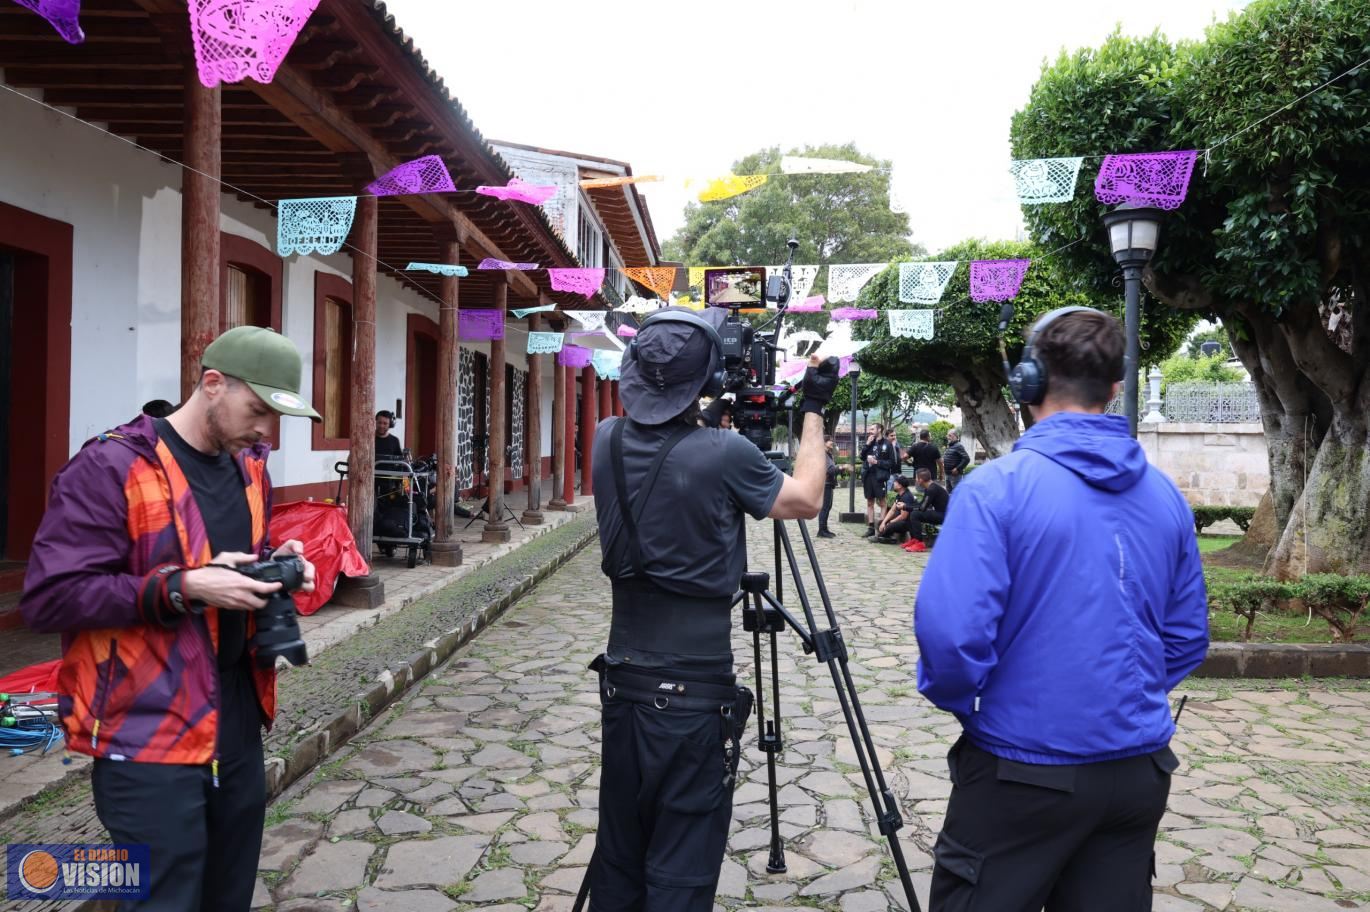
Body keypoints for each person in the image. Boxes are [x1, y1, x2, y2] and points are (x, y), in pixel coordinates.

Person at [914, 307, 1209, 911]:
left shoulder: (996, 489)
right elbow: (1185, 638)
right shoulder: (1166, 496)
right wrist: (1114, 698)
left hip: (1021, 771)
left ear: (1026, 381)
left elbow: (951, 639)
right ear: (1116, 388)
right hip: (1136, 774)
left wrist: (967, 700)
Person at [19, 326, 321, 912]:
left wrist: (274, 565)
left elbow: (231, 555)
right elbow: (49, 597)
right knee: (164, 898)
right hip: (145, 727)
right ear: (212, 384)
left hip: (236, 711)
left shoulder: (249, 466)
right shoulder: (110, 466)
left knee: (227, 892)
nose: (266, 430)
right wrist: (183, 586)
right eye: (257, 410)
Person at [588, 306, 839, 911]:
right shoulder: (727, 453)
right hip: (693, 694)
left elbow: (669, 444)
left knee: (620, 855)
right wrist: (811, 410)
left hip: (623, 682)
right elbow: (805, 498)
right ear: (708, 382)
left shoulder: (605, 439)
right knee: (682, 864)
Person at [859, 423, 894, 538]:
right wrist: (867, 444)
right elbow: (862, 457)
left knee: (882, 502)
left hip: (879, 477)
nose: (870, 431)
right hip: (868, 475)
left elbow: (891, 463)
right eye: (870, 429)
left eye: (872, 429)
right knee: (869, 501)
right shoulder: (870, 442)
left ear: (879, 430)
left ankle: (881, 526)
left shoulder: (887, 444)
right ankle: (870, 527)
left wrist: (877, 462)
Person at [903, 468, 949, 552]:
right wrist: (906, 506)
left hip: (944, 516)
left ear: (921, 480)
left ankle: (919, 543)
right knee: (911, 512)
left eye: (916, 478)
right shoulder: (929, 488)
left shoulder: (932, 489)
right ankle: (914, 539)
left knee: (915, 514)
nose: (915, 480)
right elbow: (921, 505)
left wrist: (905, 507)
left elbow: (922, 508)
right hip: (939, 513)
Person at [874, 474, 918, 544]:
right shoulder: (899, 495)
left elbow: (903, 516)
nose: (893, 484)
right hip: (899, 519)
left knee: (890, 526)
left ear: (900, 486)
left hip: (906, 523)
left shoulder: (907, 496)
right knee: (881, 522)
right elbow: (892, 510)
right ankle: (885, 536)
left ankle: (880, 537)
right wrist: (884, 522)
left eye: (895, 482)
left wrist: (890, 522)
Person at [817, 436, 838, 538]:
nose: (832, 442)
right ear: (824, 443)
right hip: (825, 484)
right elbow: (830, 470)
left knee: (827, 507)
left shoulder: (828, 454)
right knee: (825, 507)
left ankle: (824, 528)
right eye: (830, 441)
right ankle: (821, 530)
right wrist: (842, 468)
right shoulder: (823, 455)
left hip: (828, 483)